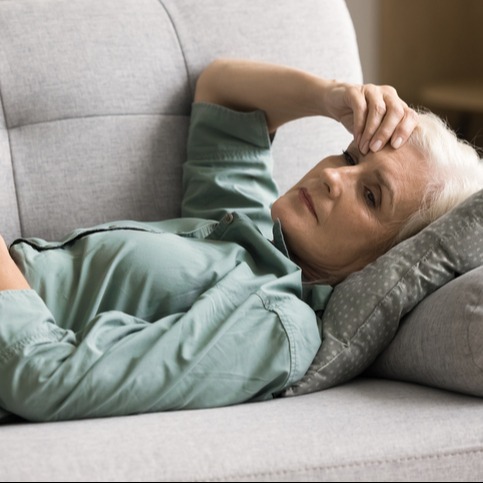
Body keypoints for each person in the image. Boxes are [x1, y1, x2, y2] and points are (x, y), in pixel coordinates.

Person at [0, 59, 481, 422]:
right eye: (349, 156)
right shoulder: (251, 232)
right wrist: (331, 96)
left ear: (390, 255)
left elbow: (46, 377)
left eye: (372, 196)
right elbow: (223, 91)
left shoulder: (276, 325)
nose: (336, 177)